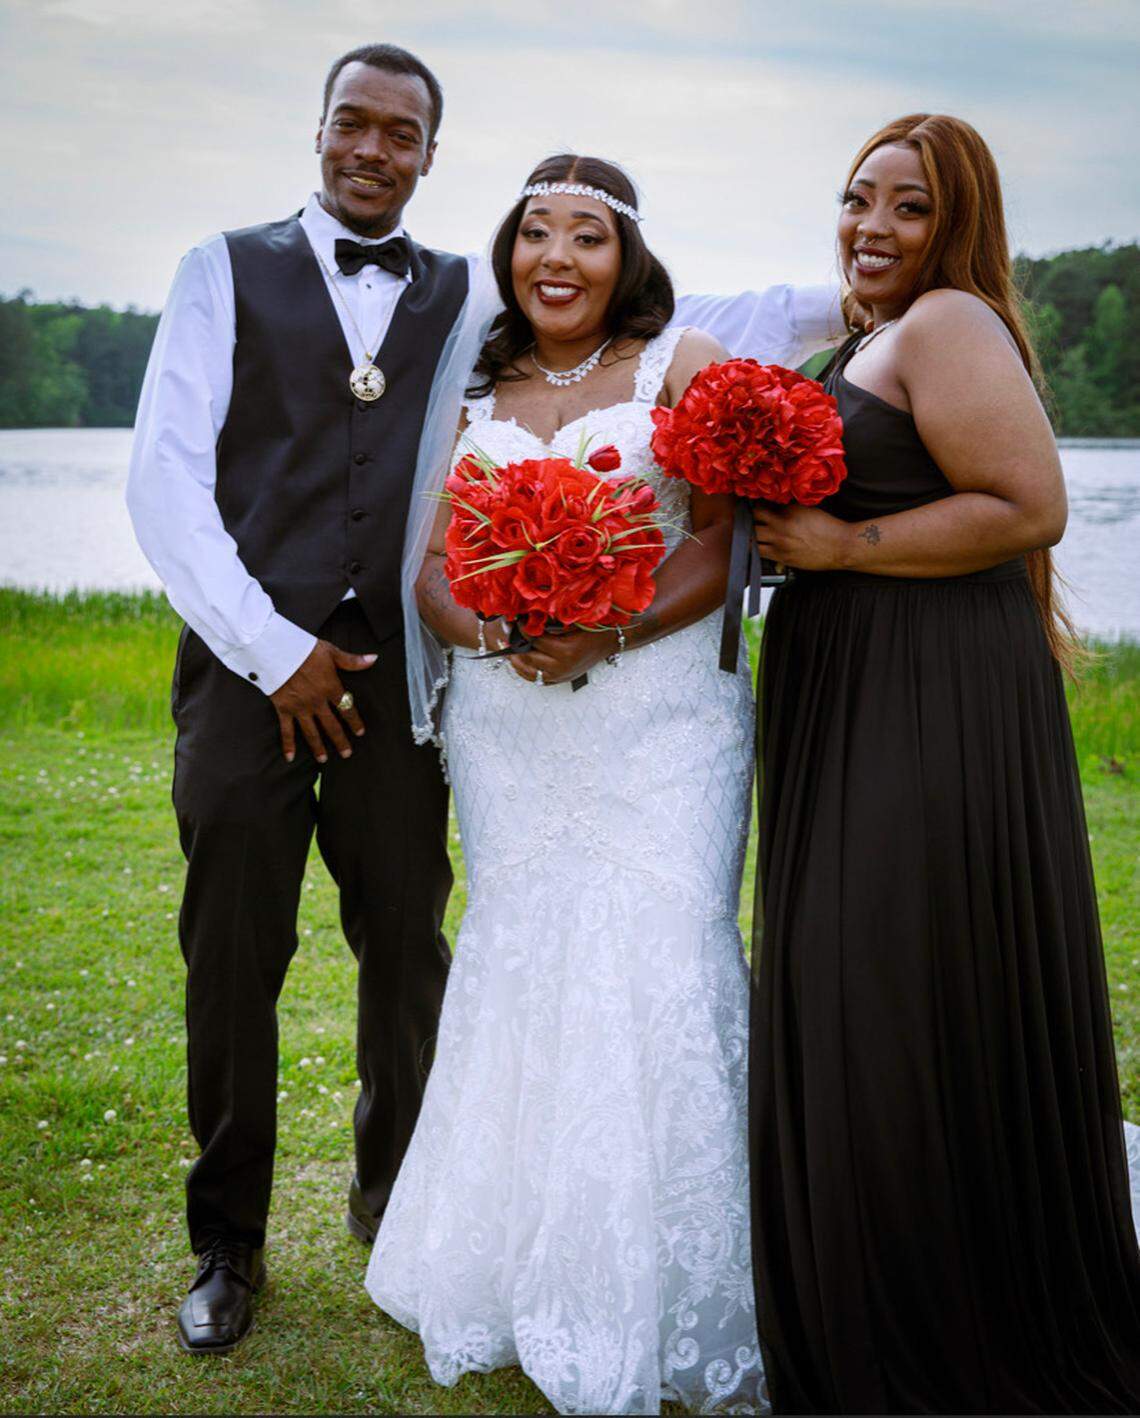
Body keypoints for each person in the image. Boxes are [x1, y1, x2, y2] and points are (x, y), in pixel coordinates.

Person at [363, 153, 838, 1415]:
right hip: (513, 728)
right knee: (522, 952)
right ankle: (514, 1262)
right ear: (509, 252)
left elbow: (718, 540)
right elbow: (430, 571)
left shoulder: (680, 361)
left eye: (586, 236)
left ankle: (683, 1280)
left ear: (626, 255)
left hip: (660, 722)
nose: (557, 259)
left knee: (662, 949)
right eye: (535, 235)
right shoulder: (469, 385)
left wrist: (605, 627)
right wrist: (501, 633)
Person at [747, 112, 1140, 1413]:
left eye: (907, 207)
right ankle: (863, 1305)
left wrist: (850, 552)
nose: (872, 226)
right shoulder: (859, 340)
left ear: (955, 224)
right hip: (845, 696)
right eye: (859, 197)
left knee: (892, 993)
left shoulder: (950, 324)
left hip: (929, 705)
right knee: (847, 986)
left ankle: (933, 1332)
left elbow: (1032, 506)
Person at [127, 43, 471, 1353]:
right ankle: (228, 1243)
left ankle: (399, 1213)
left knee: (406, 944)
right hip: (241, 673)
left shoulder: (471, 293)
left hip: (401, 682)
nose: (373, 149)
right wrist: (275, 651)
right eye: (353, 123)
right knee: (230, 954)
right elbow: (164, 486)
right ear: (318, 130)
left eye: (402, 132)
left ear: (432, 153)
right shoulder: (219, 269)